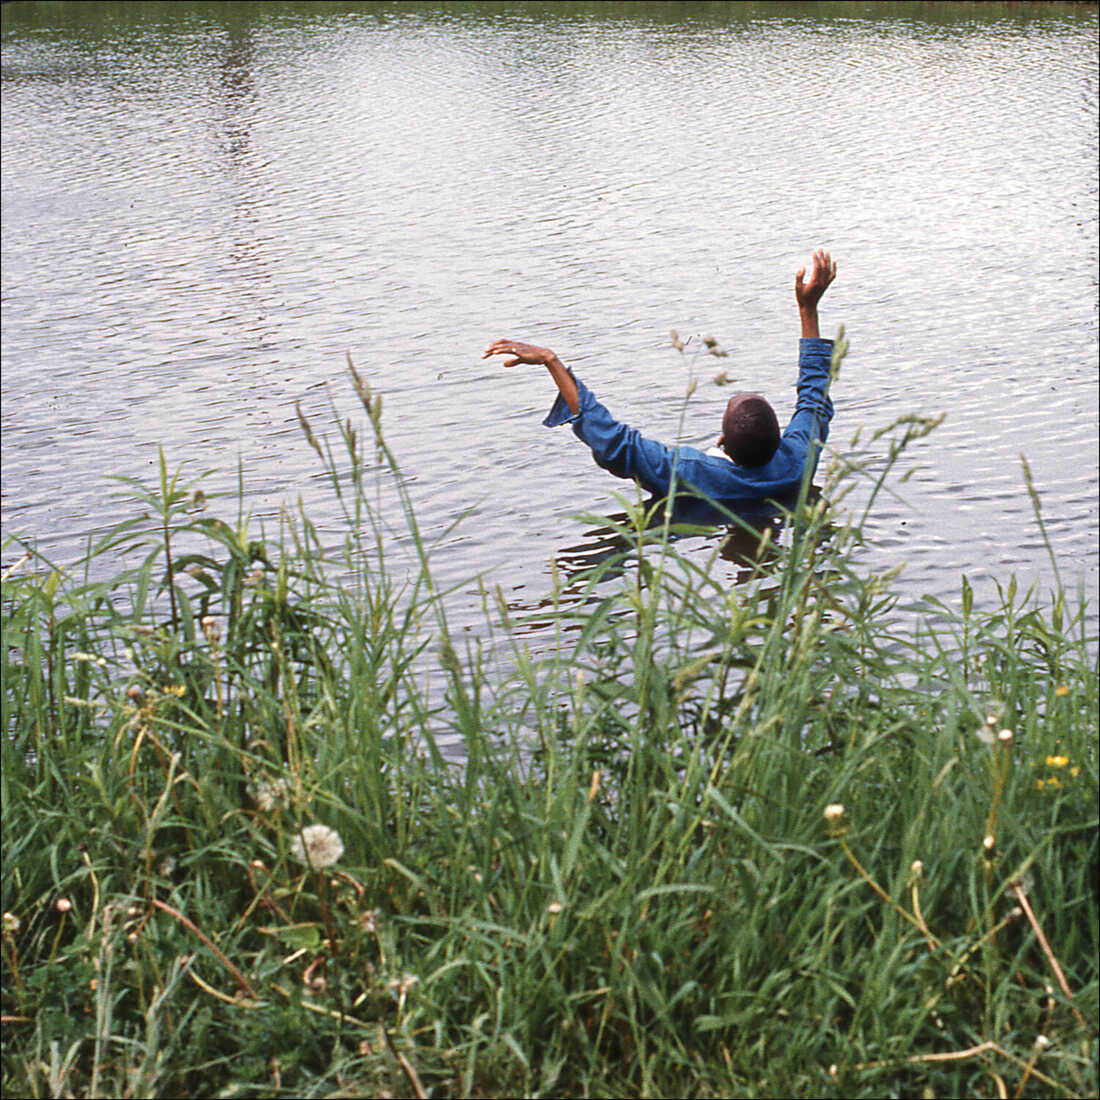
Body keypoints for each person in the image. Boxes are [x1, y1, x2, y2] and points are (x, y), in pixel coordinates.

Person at [483, 249, 837, 514]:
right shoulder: (796, 461)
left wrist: (551, 360)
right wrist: (808, 309)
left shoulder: (689, 474)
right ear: (781, 441)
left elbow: (614, 442)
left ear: (721, 439)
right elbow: (813, 397)